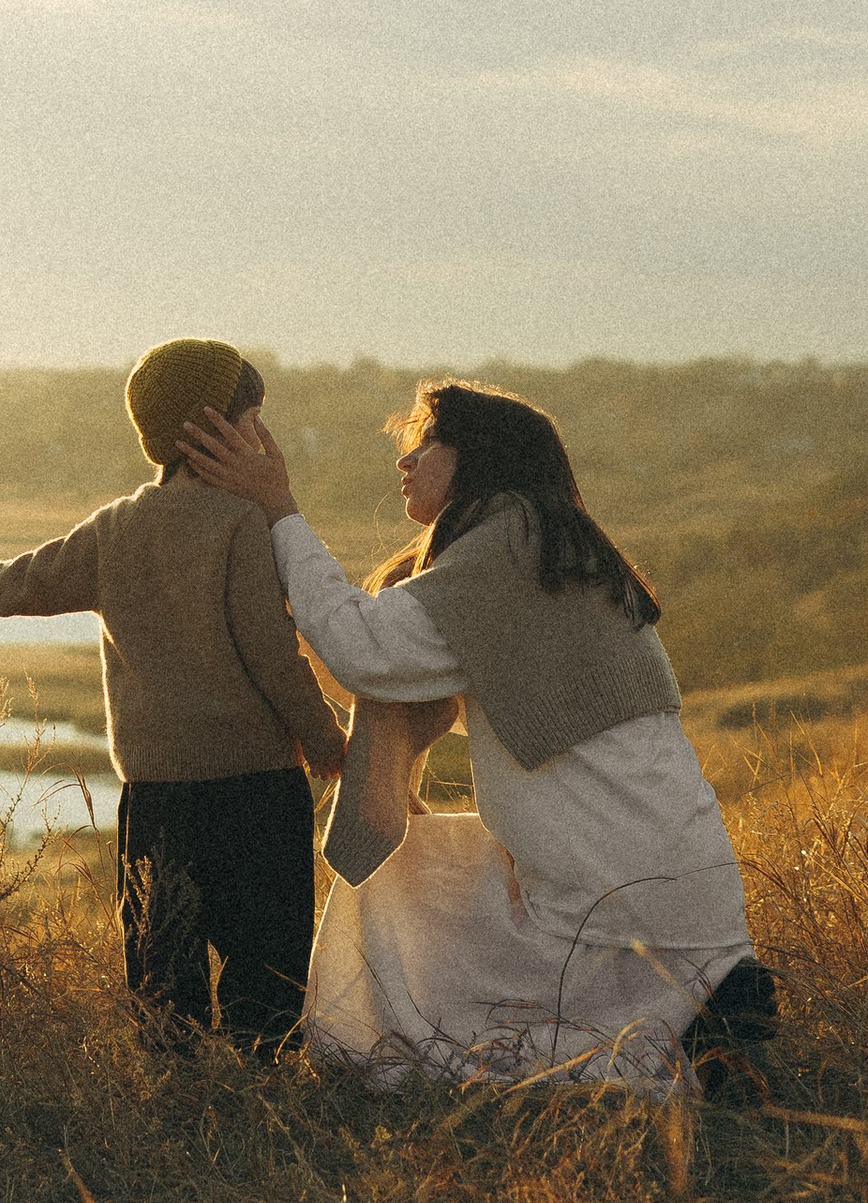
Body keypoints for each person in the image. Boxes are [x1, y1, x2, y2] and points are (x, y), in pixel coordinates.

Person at [183, 377, 776, 1097]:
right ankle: (703, 1018)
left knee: (398, 904)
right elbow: (387, 671)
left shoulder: (508, 544)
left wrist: (280, 510)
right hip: (667, 887)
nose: (406, 459)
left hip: (619, 897)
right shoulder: (543, 546)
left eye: (426, 441)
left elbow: (366, 653)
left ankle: (682, 1042)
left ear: (480, 456)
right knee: (419, 865)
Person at [0, 339, 349, 1051]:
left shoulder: (116, 527)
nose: (265, 440)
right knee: (268, 976)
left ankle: (171, 1099)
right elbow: (272, 654)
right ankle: (260, 1111)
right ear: (212, 428)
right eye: (255, 419)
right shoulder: (243, 523)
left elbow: (22, 581)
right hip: (256, 792)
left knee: (161, 974)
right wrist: (326, 737)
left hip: (155, 797)